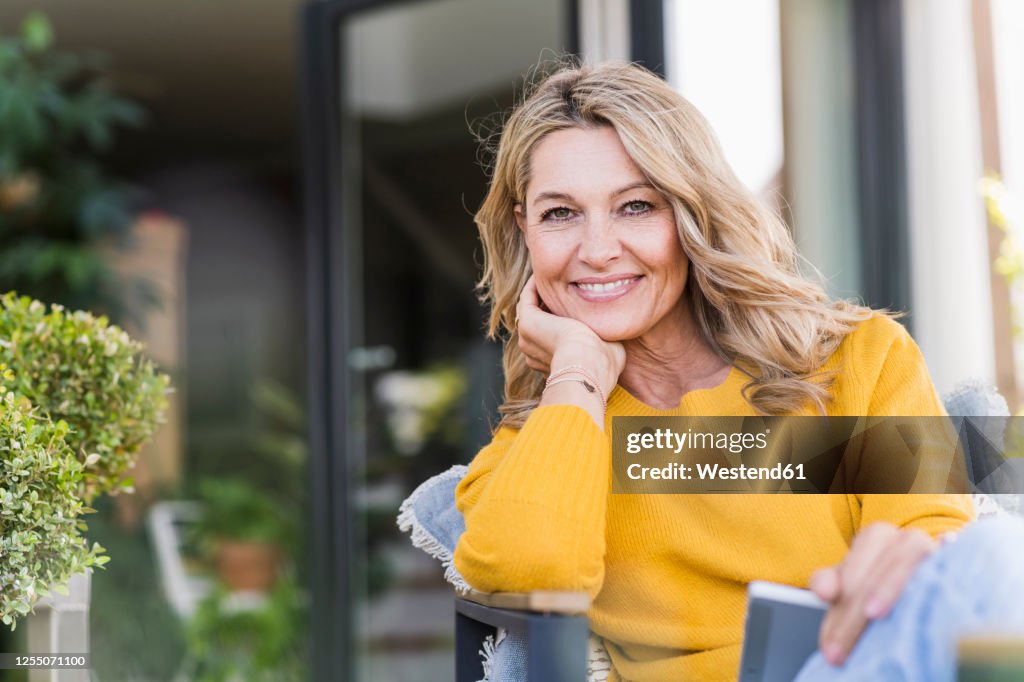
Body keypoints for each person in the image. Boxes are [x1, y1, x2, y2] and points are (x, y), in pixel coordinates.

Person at [452, 60, 1024, 681]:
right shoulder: (542, 445)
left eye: (636, 206)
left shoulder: (856, 359)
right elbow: (535, 566)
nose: (597, 249)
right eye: (560, 213)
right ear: (524, 229)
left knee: (996, 556)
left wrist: (906, 563)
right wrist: (579, 372)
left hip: (858, 664)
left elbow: (932, 541)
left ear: (692, 213)